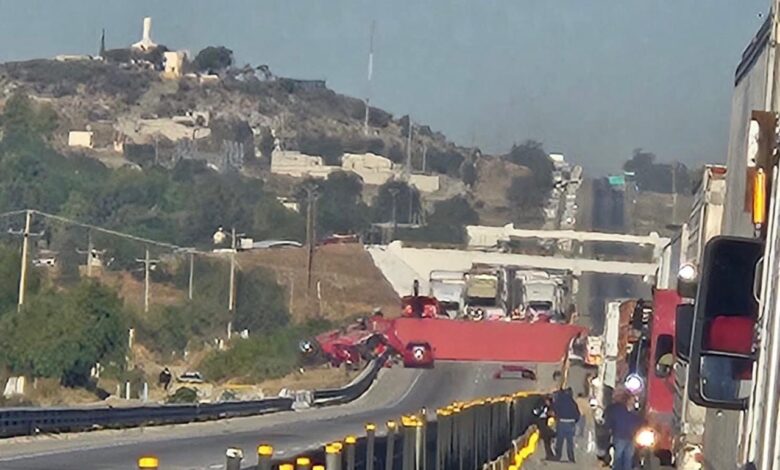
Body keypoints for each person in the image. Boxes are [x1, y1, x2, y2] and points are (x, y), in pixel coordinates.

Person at [605, 389, 643, 470]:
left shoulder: (631, 412)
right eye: (633, 400)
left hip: (628, 437)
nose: (634, 402)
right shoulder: (620, 410)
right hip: (622, 437)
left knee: (626, 458)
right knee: (621, 458)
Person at [552, 387, 580, 463]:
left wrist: (556, 417)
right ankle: (571, 458)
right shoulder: (573, 402)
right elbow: (577, 414)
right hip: (571, 423)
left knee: (559, 441)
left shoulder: (560, 400)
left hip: (561, 422)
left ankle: (558, 456)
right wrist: (574, 422)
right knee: (570, 442)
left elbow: (554, 408)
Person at [533, 395, 556, 460]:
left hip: (544, 421)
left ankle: (549, 454)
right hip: (541, 422)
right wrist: (545, 412)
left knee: (547, 440)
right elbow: (536, 412)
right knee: (547, 437)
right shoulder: (540, 406)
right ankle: (549, 454)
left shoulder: (548, 406)